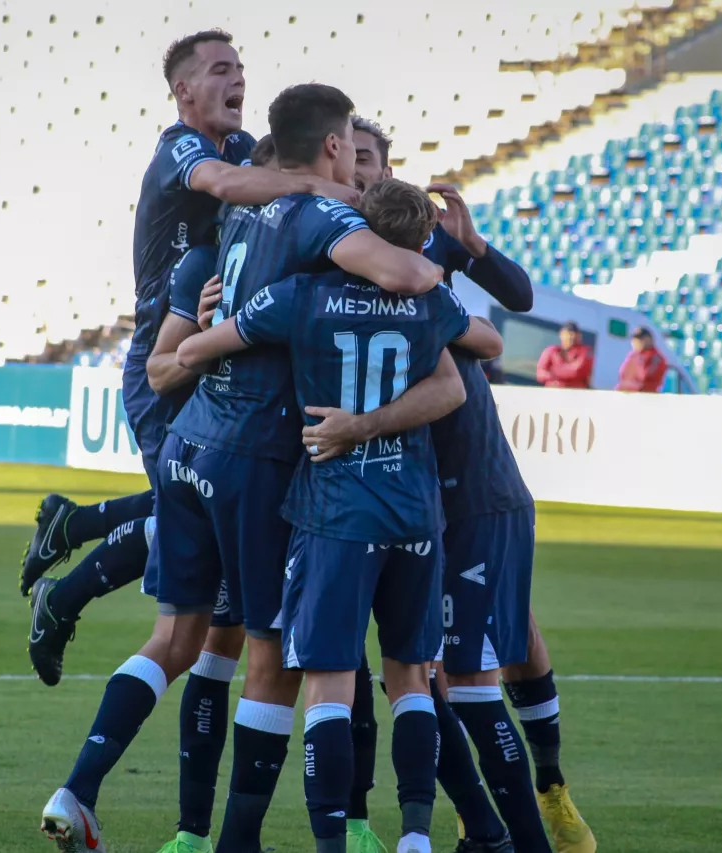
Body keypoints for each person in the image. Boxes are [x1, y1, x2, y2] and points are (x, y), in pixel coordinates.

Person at [35, 83, 456, 852]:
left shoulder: (234, 217)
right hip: (261, 457)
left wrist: (206, 333)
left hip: (192, 443)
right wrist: (431, 260)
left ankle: (78, 789)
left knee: (179, 639)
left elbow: (170, 362)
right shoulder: (318, 216)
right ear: (332, 146)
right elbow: (404, 278)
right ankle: (235, 841)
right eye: (350, 156)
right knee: (274, 660)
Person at [177, 178, 505, 853]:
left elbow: (191, 353)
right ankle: (416, 833)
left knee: (328, 683)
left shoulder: (302, 296)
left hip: (333, 511)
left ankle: (331, 840)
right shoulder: (431, 302)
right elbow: (489, 343)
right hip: (413, 508)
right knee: (411, 676)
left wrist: (211, 318)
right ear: (417, 242)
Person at [339, 121, 597, 853]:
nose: (355, 171)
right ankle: (484, 824)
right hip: (408, 490)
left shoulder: (424, 247)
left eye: (367, 160)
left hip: (470, 479)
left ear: (389, 174)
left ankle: (542, 796)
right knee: (427, 670)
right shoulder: (331, 244)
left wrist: (473, 247)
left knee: (488, 653)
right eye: (346, 157)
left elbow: (511, 300)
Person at [536, 322, 593, 389]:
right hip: (552, 393)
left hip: (575, 394)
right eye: (567, 334)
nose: (570, 338)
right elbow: (540, 373)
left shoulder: (586, 351)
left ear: (579, 336)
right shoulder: (551, 351)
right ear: (561, 334)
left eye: (573, 335)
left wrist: (553, 371)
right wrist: (552, 377)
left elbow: (576, 371)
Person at [615, 326, 666, 393]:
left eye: (640, 338)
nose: (635, 341)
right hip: (625, 396)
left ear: (648, 339)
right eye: (634, 339)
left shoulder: (656, 358)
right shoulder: (633, 355)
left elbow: (646, 378)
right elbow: (623, 375)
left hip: (644, 398)